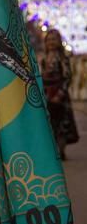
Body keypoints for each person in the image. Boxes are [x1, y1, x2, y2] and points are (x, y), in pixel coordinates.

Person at [41, 29, 79, 159]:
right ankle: (52, 149)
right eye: (49, 40)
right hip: (47, 94)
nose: (51, 42)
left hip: (60, 95)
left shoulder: (63, 58)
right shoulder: (44, 59)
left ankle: (61, 150)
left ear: (59, 42)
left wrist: (60, 94)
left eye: (54, 39)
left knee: (62, 124)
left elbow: (67, 77)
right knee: (50, 123)